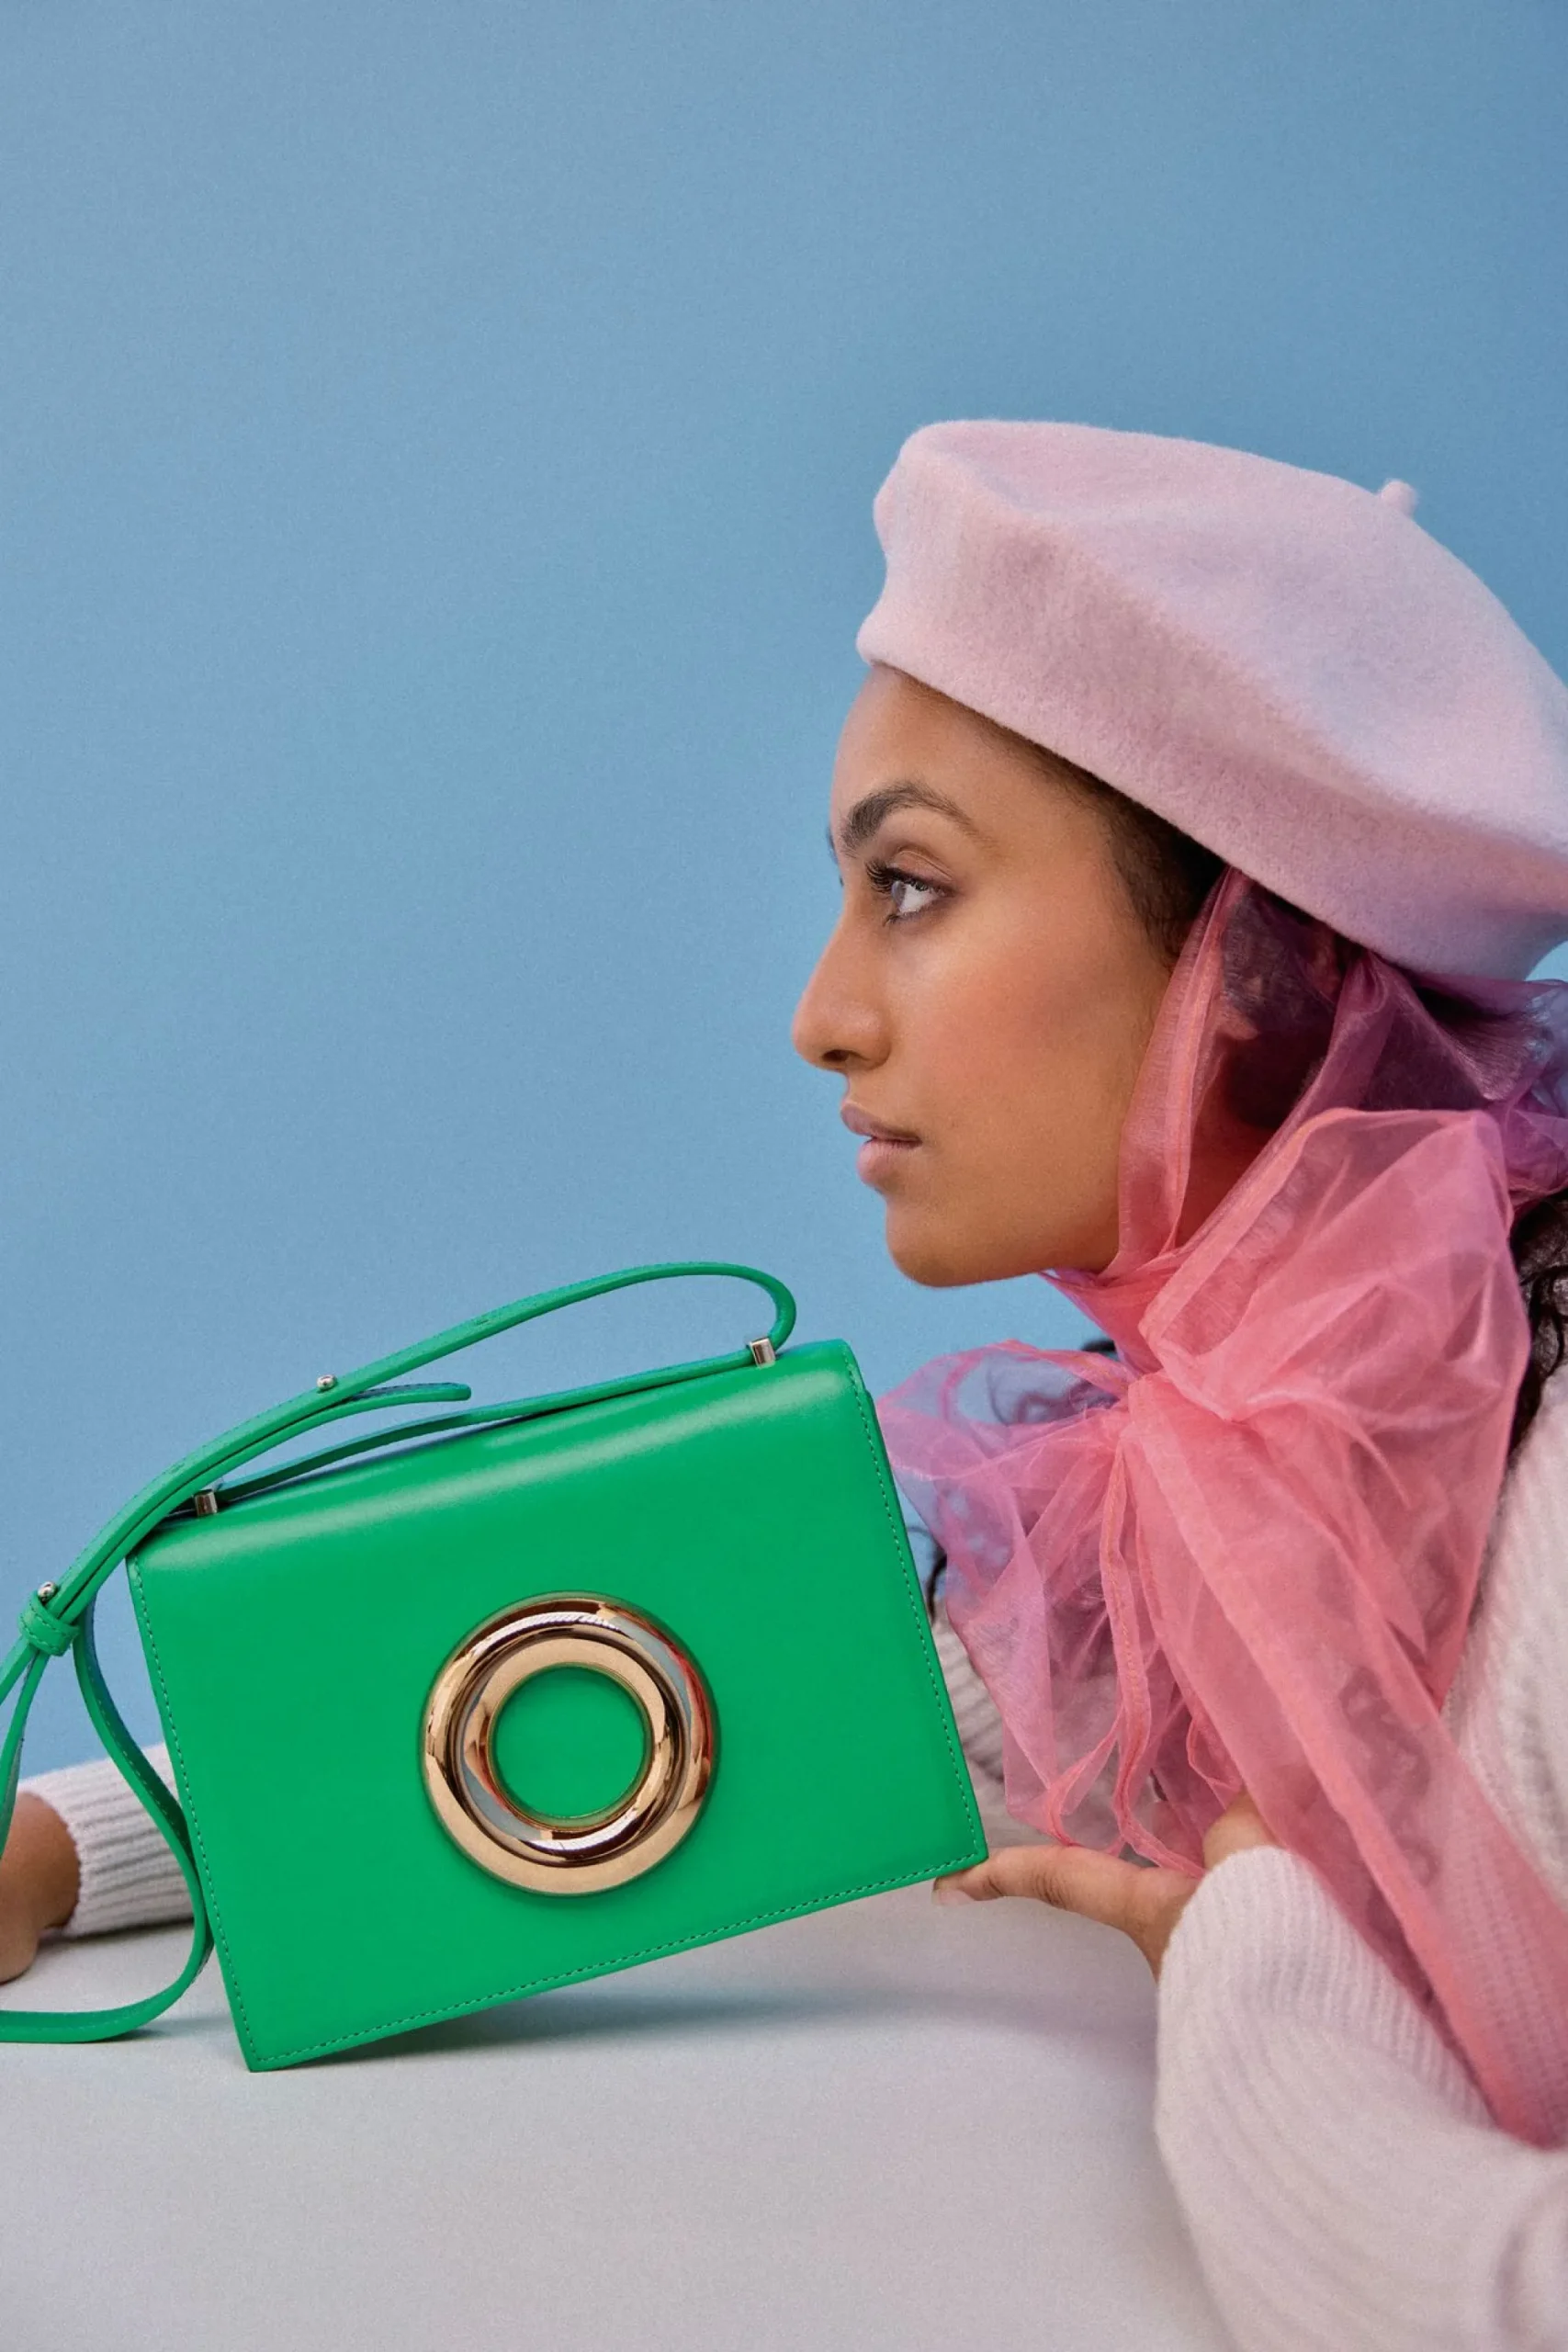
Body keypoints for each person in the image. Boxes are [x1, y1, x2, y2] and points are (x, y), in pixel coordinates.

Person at [6, 421, 1568, 2350]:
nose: (821, 1015)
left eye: (911, 885)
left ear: (1255, 960)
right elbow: (753, 1706)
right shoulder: (1219, 1456)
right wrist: (64, 1847)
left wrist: (1251, 1961)